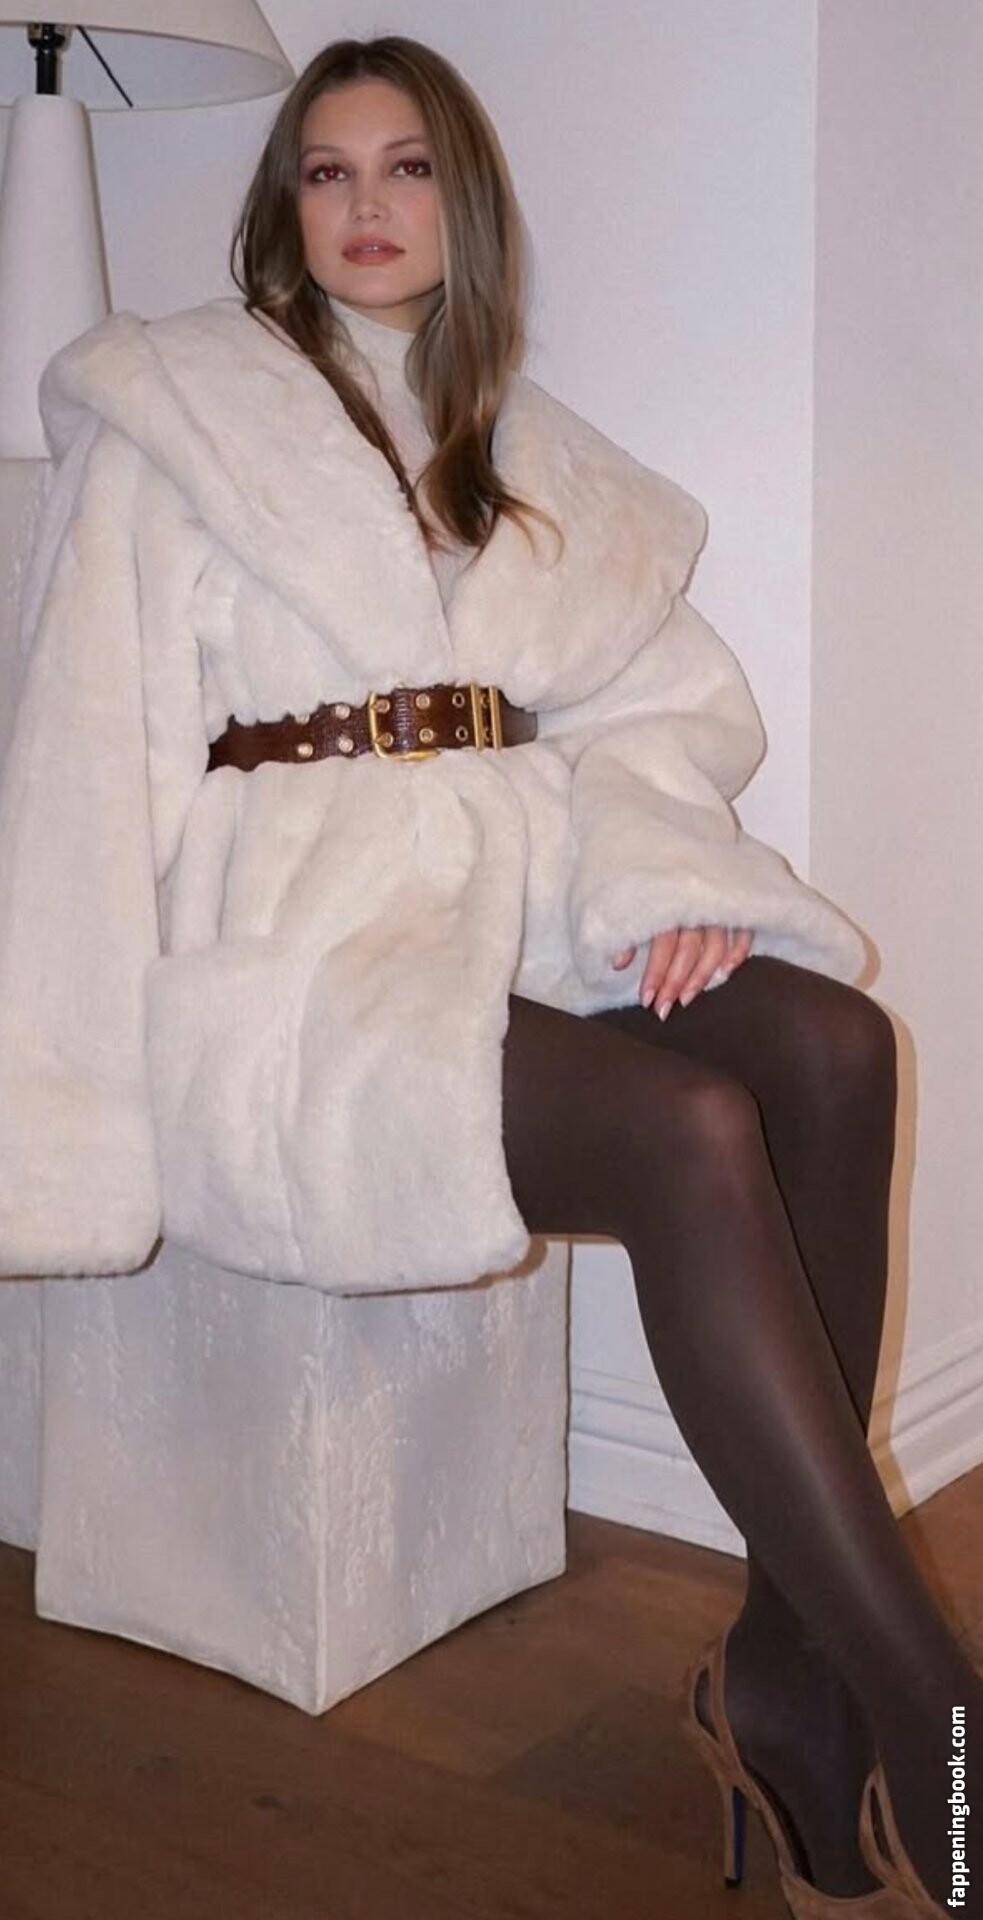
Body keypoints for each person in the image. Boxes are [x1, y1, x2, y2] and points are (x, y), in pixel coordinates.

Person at [0, 31, 976, 1919]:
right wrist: (65, 1114)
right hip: (300, 953)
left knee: (836, 1048)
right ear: (286, 207)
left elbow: (658, 718)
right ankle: (935, 1708)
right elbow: (77, 764)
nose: (368, 206)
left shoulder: (529, 447)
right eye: (328, 171)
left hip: (520, 899)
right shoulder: (172, 412)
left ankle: (788, 1675)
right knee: (692, 1130)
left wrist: (667, 885)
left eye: (408, 169)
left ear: (465, 206)